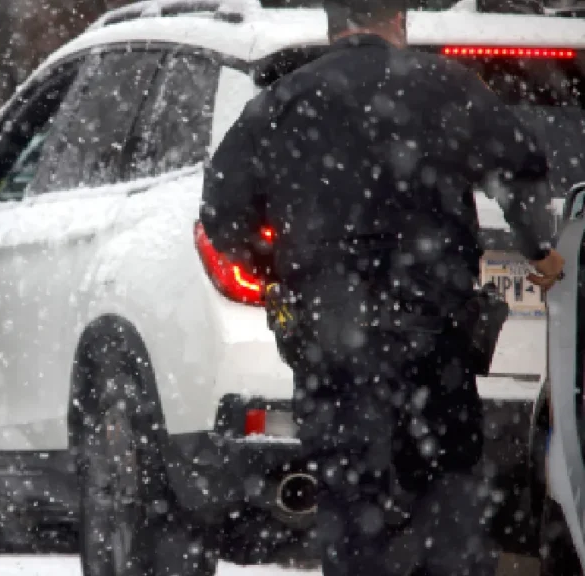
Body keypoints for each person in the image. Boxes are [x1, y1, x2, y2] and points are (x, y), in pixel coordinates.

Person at [200, 1, 565, 575]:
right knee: (447, 504)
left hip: (333, 351)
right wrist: (539, 249)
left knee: (353, 509)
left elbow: (222, 214)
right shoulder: (446, 88)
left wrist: (282, 263)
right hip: (436, 346)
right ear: (399, 22)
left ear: (331, 26)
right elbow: (521, 170)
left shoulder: (282, 104)